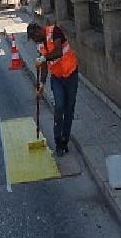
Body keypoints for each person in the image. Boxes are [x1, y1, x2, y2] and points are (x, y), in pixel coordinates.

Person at [27, 22, 79, 156]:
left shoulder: (55, 31)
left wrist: (43, 58)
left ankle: (64, 140)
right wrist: (42, 85)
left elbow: (58, 51)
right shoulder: (40, 45)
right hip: (57, 78)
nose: (35, 41)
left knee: (69, 109)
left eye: (34, 37)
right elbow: (44, 66)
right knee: (59, 106)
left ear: (38, 30)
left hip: (71, 74)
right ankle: (58, 142)